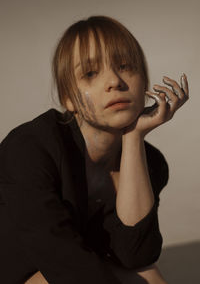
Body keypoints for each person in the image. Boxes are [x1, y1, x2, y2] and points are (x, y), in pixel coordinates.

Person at [0, 15, 189, 284]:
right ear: (68, 98)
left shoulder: (152, 163)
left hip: (75, 268)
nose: (114, 81)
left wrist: (134, 137)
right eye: (90, 73)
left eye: (125, 67)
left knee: (148, 276)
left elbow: (136, 255)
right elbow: (59, 258)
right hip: (23, 271)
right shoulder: (30, 148)